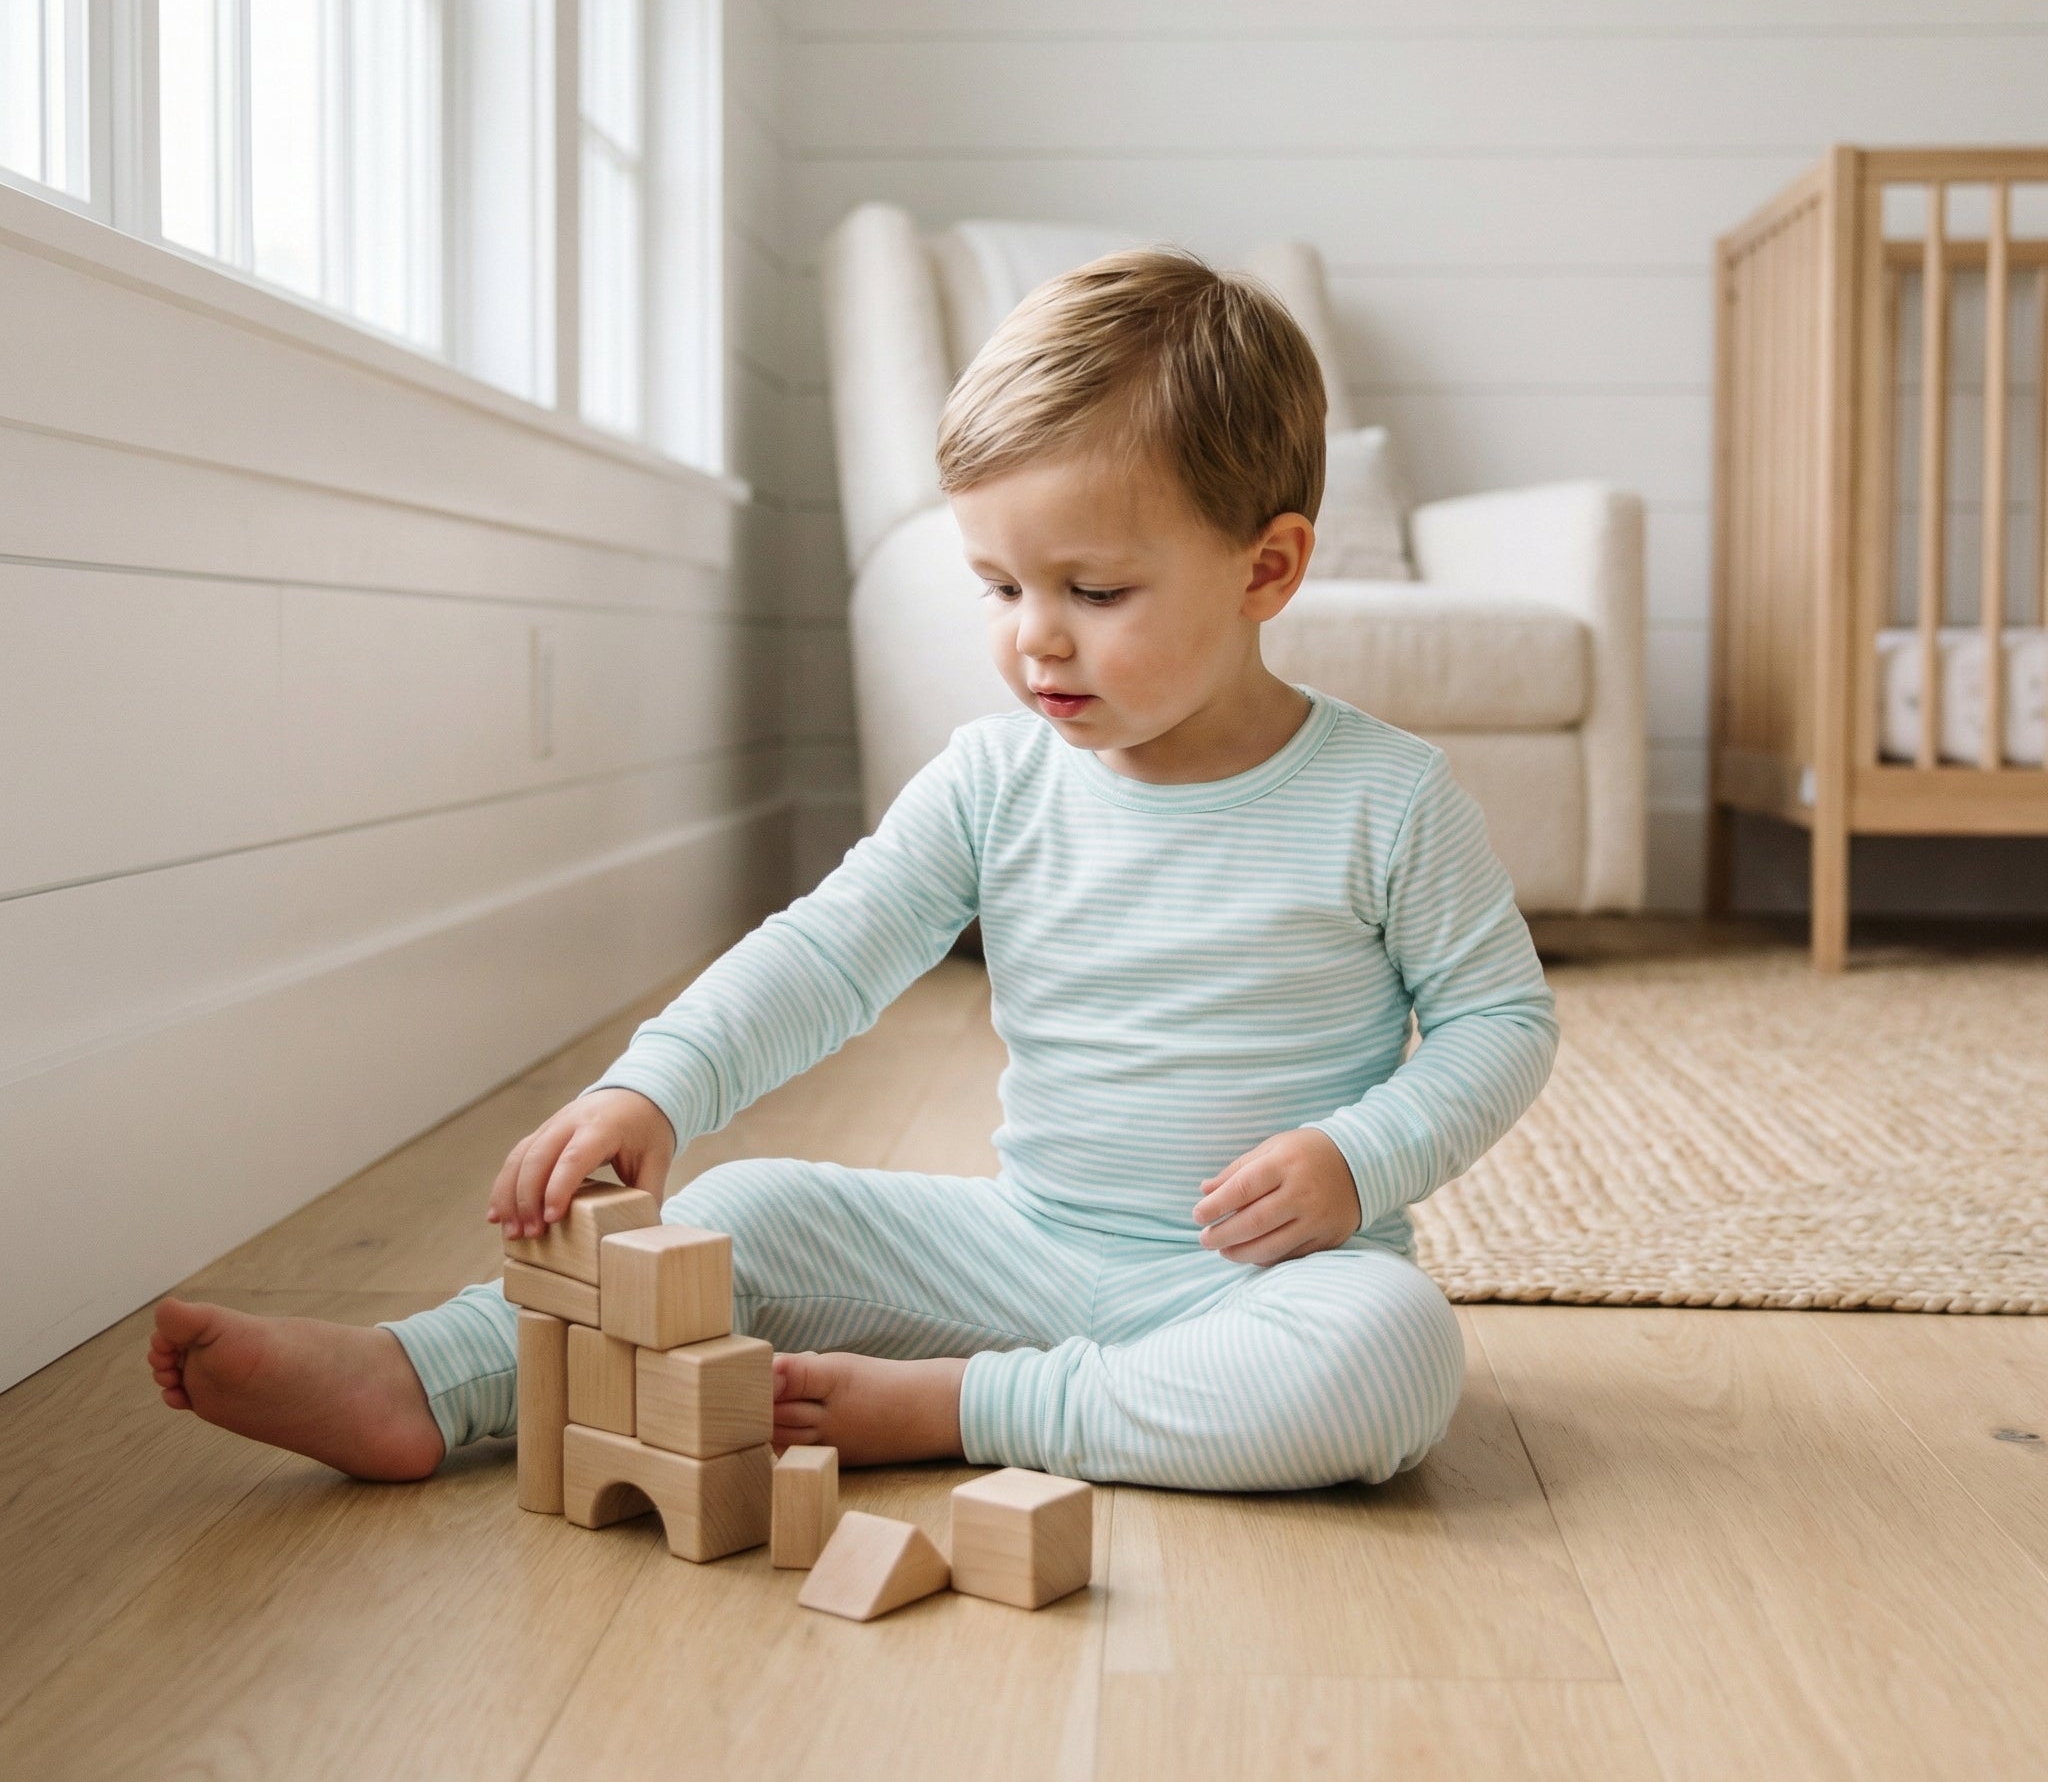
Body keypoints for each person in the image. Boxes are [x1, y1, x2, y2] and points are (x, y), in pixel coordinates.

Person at [149, 249, 1558, 1492]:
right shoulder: (998, 779)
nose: (1035, 643)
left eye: (1096, 592)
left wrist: (1356, 1157)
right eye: (1001, 588)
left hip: (1270, 1287)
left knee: (1393, 1357)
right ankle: (431, 1381)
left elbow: (1502, 1024)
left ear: (1268, 568)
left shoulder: (1385, 798)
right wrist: (658, 1081)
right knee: (748, 1214)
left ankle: (974, 1409)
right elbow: (831, 951)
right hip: (1020, 1251)